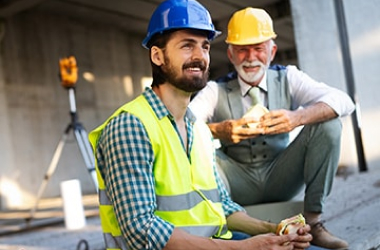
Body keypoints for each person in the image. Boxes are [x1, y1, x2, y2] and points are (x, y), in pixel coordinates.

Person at [88, 1, 314, 249]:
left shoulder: (198, 129)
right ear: (157, 55)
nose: (199, 56)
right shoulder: (131, 126)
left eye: (205, 46)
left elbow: (222, 207)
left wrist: (273, 230)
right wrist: (246, 247)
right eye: (187, 45)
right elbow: (142, 230)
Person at [189, 7, 355, 250]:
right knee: (200, 144)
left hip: (281, 175)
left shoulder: (289, 77)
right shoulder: (215, 90)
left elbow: (345, 101)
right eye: (243, 50)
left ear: (272, 51)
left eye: (258, 48)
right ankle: (223, 230)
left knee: (328, 124)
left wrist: (298, 117)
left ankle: (313, 223)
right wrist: (218, 130)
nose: (250, 57)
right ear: (231, 55)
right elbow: (183, 125)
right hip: (237, 181)